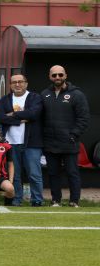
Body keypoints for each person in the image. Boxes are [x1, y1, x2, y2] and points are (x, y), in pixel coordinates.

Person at [41, 65, 90, 208]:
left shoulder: (77, 94)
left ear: (65, 76)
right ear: (50, 76)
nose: (57, 77)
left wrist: (73, 135)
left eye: (60, 75)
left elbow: (84, 118)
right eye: (54, 75)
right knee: (53, 174)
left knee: (72, 173)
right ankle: (56, 200)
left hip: (69, 142)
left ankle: (74, 201)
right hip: (50, 142)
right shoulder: (44, 94)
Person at [0, 73, 44, 206]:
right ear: (10, 85)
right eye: (14, 82)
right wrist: (20, 119)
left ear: (26, 83)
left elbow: (33, 114)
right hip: (10, 144)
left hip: (31, 143)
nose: (17, 84)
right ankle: (17, 200)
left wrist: (13, 115)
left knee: (34, 174)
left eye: (20, 81)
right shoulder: (4, 100)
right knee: (15, 175)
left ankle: (37, 201)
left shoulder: (35, 98)